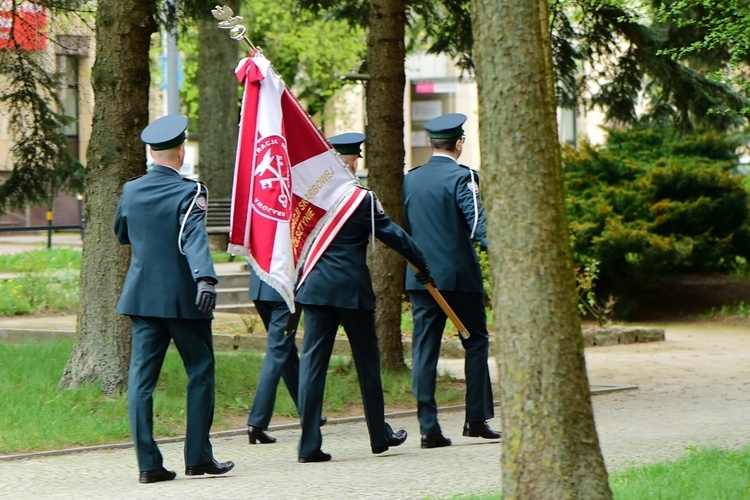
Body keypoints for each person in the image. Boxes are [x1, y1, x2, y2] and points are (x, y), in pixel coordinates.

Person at [294, 132, 434, 463]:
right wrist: (421, 263)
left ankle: (308, 444)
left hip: (314, 289)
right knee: (368, 365)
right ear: (353, 161)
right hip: (351, 292)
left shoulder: (310, 199)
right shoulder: (361, 199)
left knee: (313, 366)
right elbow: (395, 236)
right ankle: (378, 436)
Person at [114, 114, 234, 483]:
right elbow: (194, 238)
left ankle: (148, 465)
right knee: (199, 371)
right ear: (181, 151)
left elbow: (122, 233)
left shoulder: (131, 190)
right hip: (184, 299)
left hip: (141, 297)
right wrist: (206, 280)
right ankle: (197, 458)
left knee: (141, 381)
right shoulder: (190, 191)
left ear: (151, 152)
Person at [402, 113, 500, 449]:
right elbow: (476, 225)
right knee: (475, 342)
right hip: (458, 278)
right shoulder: (464, 177)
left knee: (424, 351)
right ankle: (476, 419)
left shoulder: (410, 179)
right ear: (459, 142)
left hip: (421, 279)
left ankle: (428, 428)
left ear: (432, 143)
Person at [245, 273, 327, 444]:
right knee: (277, 352)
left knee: (285, 350)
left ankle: (309, 413)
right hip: (282, 290)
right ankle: (256, 422)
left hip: (259, 288)